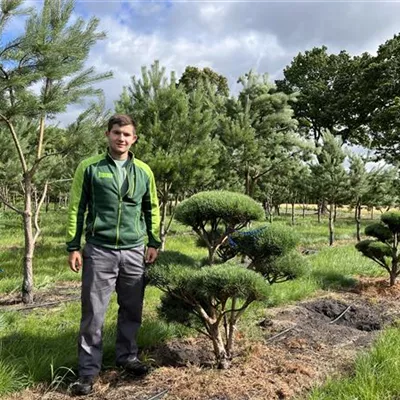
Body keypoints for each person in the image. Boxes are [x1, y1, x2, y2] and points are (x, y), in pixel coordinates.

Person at [66, 114, 161, 396]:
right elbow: (76, 208)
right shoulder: (91, 168)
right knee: (94, 313)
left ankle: (127, 358)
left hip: (134, 251)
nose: (121, 138)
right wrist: (73, 245)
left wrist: (153, 241)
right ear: (107, 134)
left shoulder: (143, 170)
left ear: (134, 139)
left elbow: (151, 206)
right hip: (99, 249)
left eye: (127, 134)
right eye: (117, 132)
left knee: (132, 309)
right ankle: (87, 372)